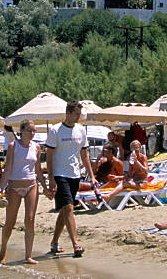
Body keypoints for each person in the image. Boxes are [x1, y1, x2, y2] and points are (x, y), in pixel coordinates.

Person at [45, 101, 97, 258]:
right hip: (60, 174)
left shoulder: (81, 130)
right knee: (68, 207)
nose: (78, 117)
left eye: (79, 115)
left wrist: (92, 175)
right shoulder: (55, 131)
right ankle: (75, 244)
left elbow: (84, 154)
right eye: (76, 114)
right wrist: (51, 178)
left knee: (64, 209)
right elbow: (49, 156)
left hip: (75, 174)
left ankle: (54, 242)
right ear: (67, 113)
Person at [0, 120, 47, 265]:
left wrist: (45, 186)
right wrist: (1, 186)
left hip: (31, 185)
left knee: (30, 219)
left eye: (33, 131)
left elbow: (38, 169)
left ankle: (28, 255)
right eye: (28, 130)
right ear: (21, 131)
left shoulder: (37, 147)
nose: (31, 133)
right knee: (10, 221)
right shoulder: (14, 146)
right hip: (14, 186)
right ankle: (3, 250)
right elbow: (8, 168)